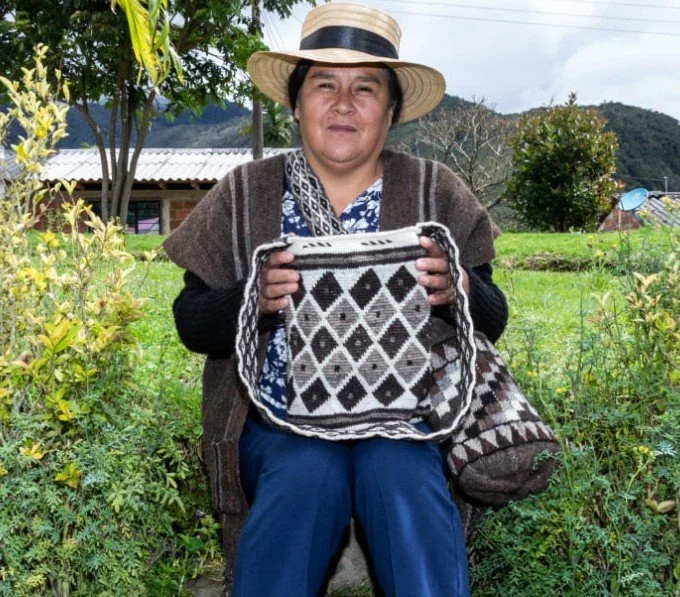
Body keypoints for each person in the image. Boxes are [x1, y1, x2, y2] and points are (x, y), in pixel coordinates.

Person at [164, 3, 508, 596]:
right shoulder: (244, 193)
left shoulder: (436, 190)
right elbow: (190, 320)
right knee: (307, 473)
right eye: (324, 84)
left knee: (399, 475)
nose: (343, 104)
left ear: (392, 110)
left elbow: (494, 318)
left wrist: (459, 291)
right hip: (276, 421)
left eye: (365, 88)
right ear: (296, 104)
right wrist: (253, 298)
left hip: (406, 422)